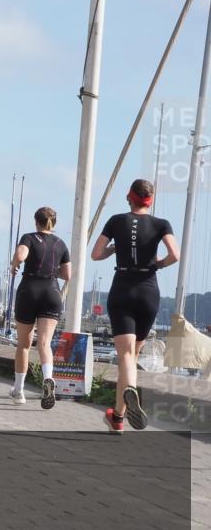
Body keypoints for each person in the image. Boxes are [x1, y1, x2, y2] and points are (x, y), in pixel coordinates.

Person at [91, 179, 179, 434]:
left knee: (125, 356)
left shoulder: (116, 221)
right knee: (132, 355)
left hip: (123, 289)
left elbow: (96, 254)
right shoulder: (161, 224)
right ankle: (117, 417)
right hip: (148, 290)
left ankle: (129, 393)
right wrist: (158, 264)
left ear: (129, 197)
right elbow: (175, 254)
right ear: (149, 200)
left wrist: (115, 248)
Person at [8, 207, 71, 409]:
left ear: (36, 222)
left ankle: (19, 391)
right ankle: (48, 378)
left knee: (24, 344)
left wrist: (14, 264)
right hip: (52, 292)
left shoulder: (29, 238)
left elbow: (21, 253)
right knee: (44, 343)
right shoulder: (61, 244)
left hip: (30, 291)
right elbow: (67, 275)